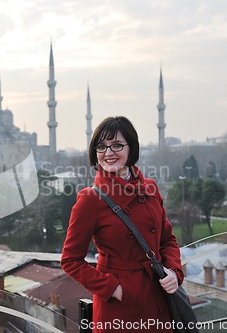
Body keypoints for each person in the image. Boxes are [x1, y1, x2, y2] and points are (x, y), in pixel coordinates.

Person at [61, 116, 183, 333]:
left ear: (131, 148)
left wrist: (174, 271)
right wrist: (113, 288)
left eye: (117, 145)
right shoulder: (90, 199)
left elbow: (166, 239)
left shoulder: (150, 187)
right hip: (120, 309)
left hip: (158, 295)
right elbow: (70, 260)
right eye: (102, 147)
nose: (109, 153)